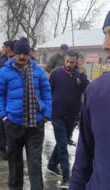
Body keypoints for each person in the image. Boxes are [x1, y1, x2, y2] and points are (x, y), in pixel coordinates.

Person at [0, 37, 52, 190]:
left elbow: (47, 92)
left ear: (29, 54)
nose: (22, 56)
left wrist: (47, 114)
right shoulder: (4, 72)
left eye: (25, 53)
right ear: (14, 53)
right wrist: (4, 116)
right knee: (15, 162)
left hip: (35, 124)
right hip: (13, 123)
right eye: (19, 53)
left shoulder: (38, 71)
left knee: (35, 162)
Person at [69, 11, 110, 190]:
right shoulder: (97, 91)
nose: (105, 45)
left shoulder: (84, 78)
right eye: (106, 34)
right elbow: (84, 159)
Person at [47, 50, 89, 188]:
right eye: (67, 61)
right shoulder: (56, 73)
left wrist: (82, 73)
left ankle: (52, 164)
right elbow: (48, 92)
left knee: (62, 142)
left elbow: (88, 90)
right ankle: (66, 177)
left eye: (72, 62)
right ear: (64, 59)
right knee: (63, 145)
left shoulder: (80, 75)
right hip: (57, 114)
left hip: (71, 116)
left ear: (77, 61)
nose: (69, 64)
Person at [0, 40, 15, 159]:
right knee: (3, 122)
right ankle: (2, 146)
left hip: (13, 96)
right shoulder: (1, 60)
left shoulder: (17, 59)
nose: (2, 48)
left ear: (8, 48)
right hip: (3, 95)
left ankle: (10, 145)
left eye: (3, 47)